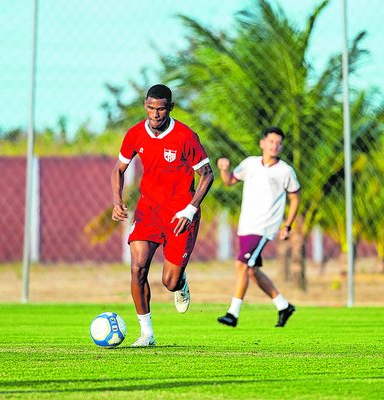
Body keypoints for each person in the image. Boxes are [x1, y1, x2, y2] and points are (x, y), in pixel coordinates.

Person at [111, 84, 214, 347]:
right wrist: (117, 201)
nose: (155, 114)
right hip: (149, 211)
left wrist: (190, 210)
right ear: (145, 105)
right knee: (138, 268)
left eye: (160, 109)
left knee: (168, 282)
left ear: (170, 108)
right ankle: (146, 333)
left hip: (180, 214)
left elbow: (207, 174)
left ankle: (180, 282)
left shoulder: (185, 137)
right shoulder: (135, 133)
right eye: (150, 108)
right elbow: (119, 170)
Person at [216, 126, 300, 328]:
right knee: (251, 271)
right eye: (271, 141)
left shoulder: (285, 171)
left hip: (264, 227)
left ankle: (233, 313)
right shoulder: (250, 164)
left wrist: (287, 226)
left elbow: (295, 199)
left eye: (278, 143)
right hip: (246, 225)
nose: (275, 146)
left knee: (242, 265)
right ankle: (283, 305)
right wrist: (223, 169)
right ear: (263, 143)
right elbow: (228, 182)